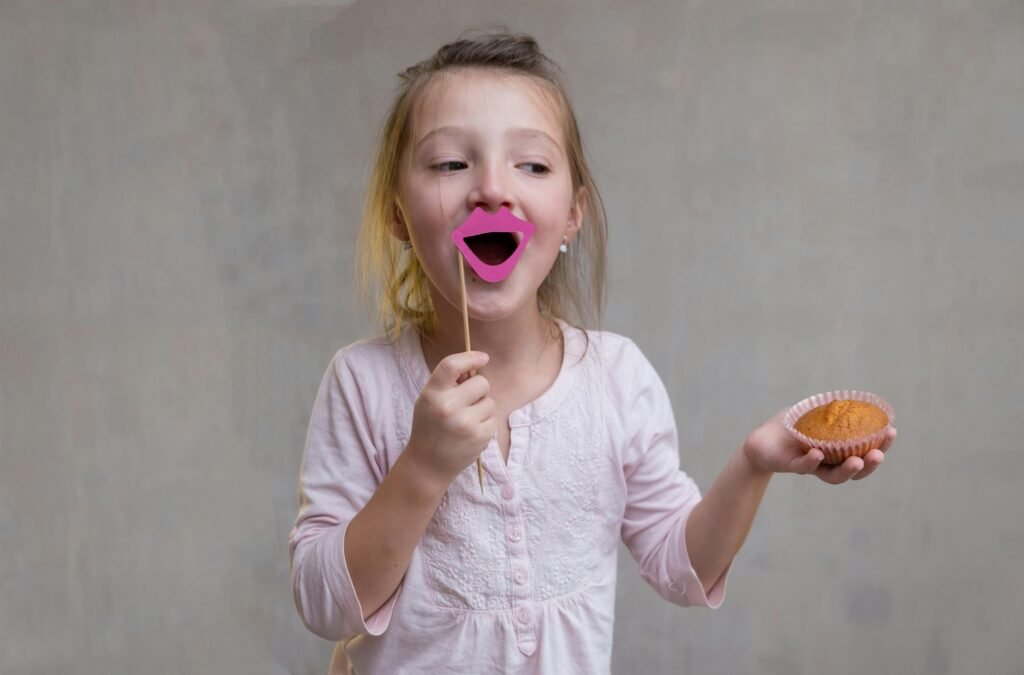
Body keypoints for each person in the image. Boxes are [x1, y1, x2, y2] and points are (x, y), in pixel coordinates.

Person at [288, 31, 897, 675]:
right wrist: (422, 468)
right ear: (397, 216)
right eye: (449, 164)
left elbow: (682, 569)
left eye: (532, 165)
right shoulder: (362, 383)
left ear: (572, 216)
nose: (492, 189)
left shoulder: (616, 379)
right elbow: (323, 605)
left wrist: (754, 464)